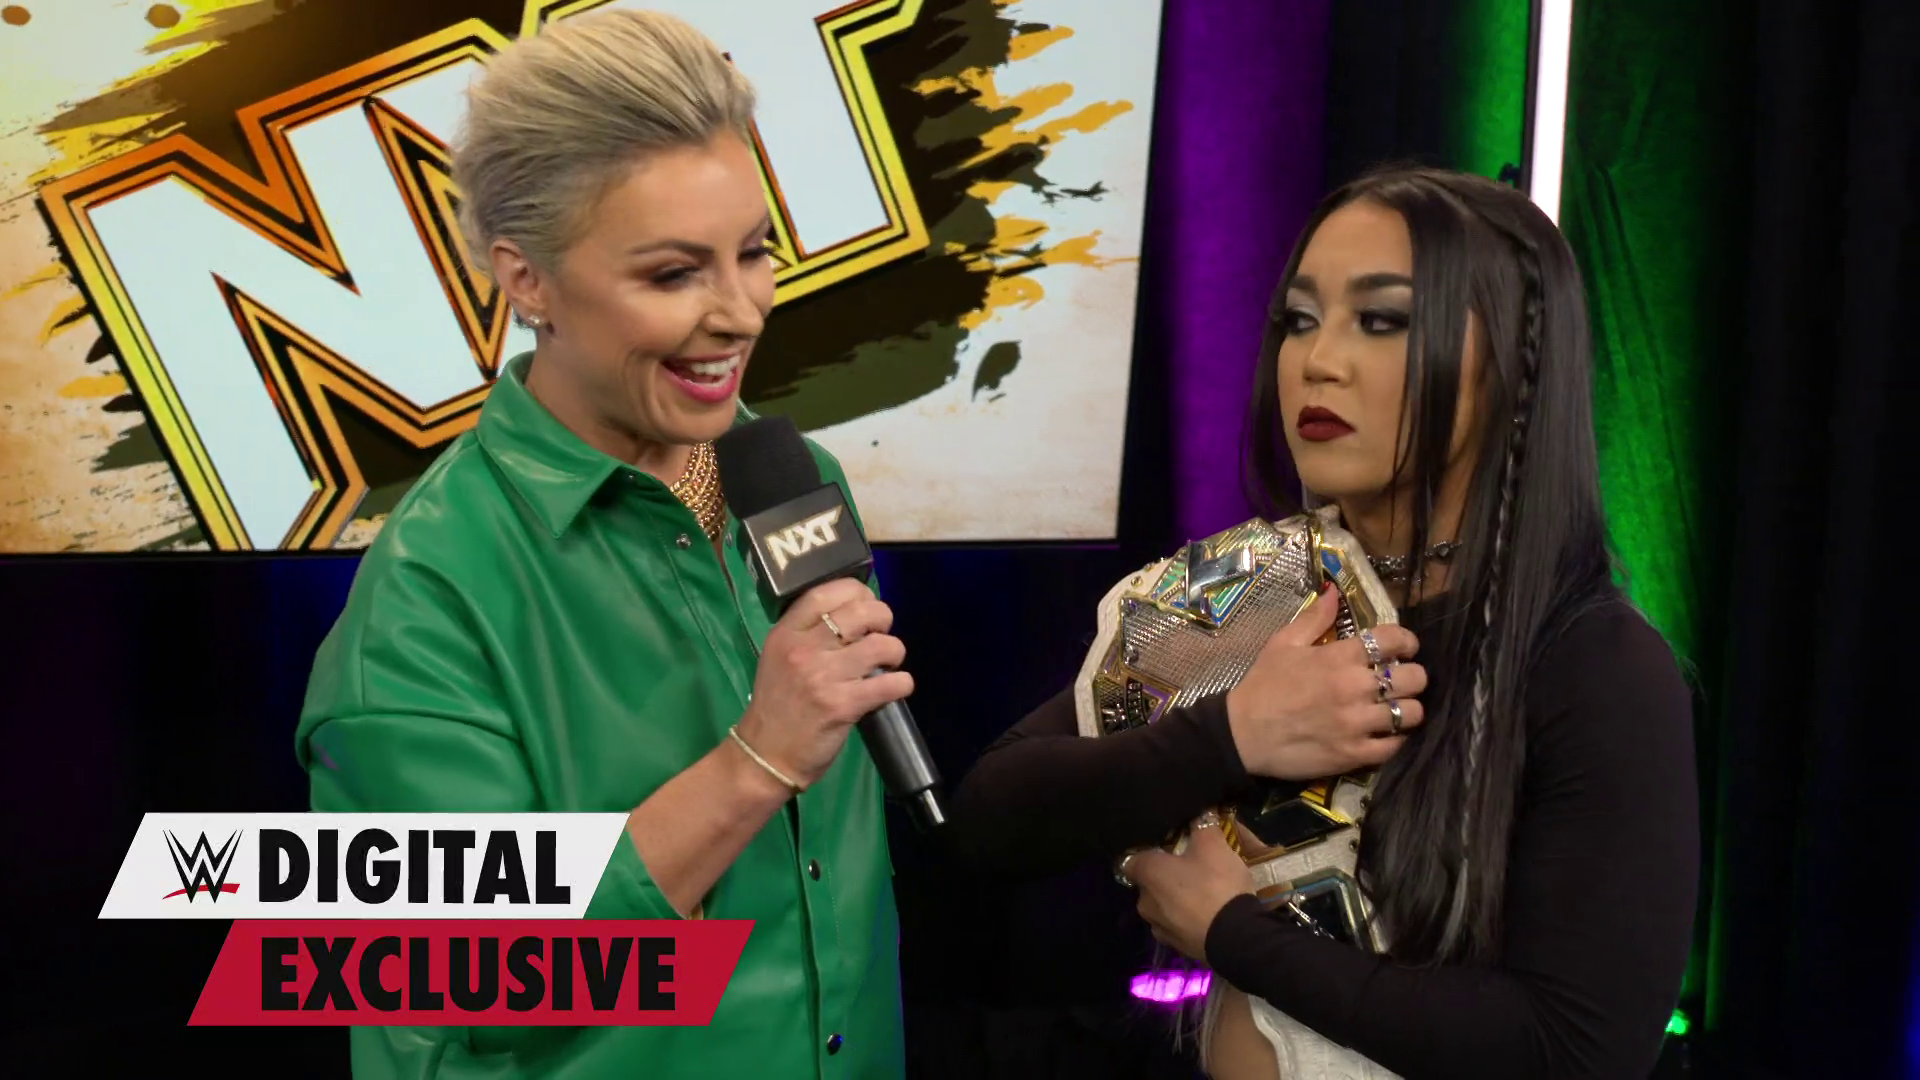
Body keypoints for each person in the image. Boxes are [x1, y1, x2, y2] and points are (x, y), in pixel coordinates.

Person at [946, 167, 1699, 1078]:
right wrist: (1233, 735)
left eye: (1380, 321)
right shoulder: (1260, 591)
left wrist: (1235, 934)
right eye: (1300, 319)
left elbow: (1573, 1049)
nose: (1318, 360)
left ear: (1510, 362)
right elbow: (986, 819)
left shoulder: (1595, 665)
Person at [295, 10, 912, 1077]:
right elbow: (463, 984)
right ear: (526, 279)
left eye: (754, 253)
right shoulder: (427, 596)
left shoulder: (792, 477)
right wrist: (756, 761)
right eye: (674, 274)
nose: (741, 312)